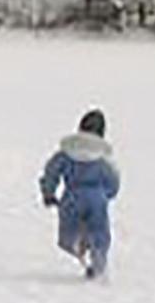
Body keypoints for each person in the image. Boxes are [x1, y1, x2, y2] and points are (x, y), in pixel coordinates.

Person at [40, 108, 121, 280]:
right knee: (99, 231)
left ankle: (77, 246)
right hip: (97, 198)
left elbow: (51, 172)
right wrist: (108, 194)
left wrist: (48, 192)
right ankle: (98, 262)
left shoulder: (66, 152)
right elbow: (113, 180)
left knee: (68, 233)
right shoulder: (103, 156)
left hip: (72, 196)